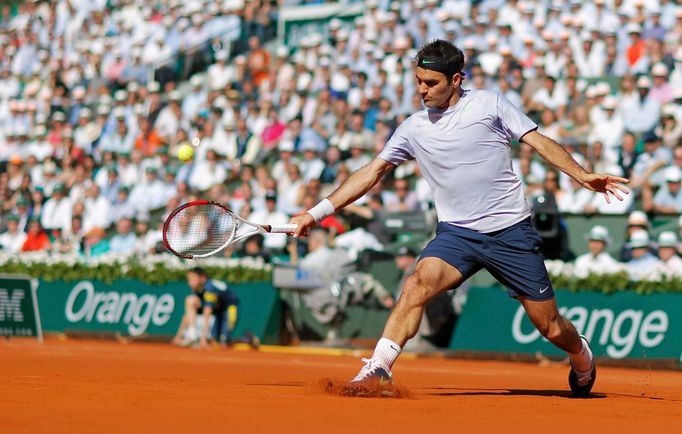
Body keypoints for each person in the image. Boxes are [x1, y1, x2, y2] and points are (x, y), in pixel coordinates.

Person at [290, 40, 629, 397]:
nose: (422, 90)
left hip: (510, 232)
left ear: (456, 79)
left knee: (550, 326)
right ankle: (378, 368)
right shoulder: (413, 127)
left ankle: (581, 355)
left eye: (431, 83)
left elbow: (538, 141)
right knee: (417, 283)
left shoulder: (489, 103)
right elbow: (372, 172)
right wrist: (316, 213)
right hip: (457, 235)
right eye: (418, 81)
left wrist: (581, 174)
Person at [172, 267, 239, 348]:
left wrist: (203, 339)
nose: (190, 283)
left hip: (229, 307)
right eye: (189, 280)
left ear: (202, 279)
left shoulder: (210, 288)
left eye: (193, 279)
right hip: (216, 307)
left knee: (223, 341)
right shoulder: (197, 287)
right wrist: (178, 337)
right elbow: (188, 314)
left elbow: (207, 312)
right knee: (190, 300)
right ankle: (192, 335)